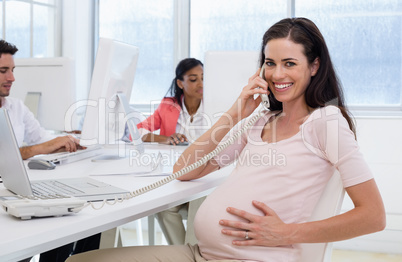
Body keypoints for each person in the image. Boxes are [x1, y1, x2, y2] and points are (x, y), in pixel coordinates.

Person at [66, 17, 386, 262]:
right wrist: (236, 111)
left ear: (314, 66)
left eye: (290, 63)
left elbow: (373, 215)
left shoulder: (325, 122)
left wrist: (288, 232)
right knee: (78, 260)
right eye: (270, 63)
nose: (276, 74)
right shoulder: (262, 119)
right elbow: (186, 168)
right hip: (201, 254)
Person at [0, 39, 101, 262]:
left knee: (78, 218)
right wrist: (43, 147)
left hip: (17, 189)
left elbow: (42, 137)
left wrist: (70, 139)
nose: (12, 78)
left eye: (13, 70)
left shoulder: (15, 107)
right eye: (3, 71)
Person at [136, 58, 206, 245]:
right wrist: (165, 139)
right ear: (180, 83)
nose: (201, 84)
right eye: (193, 79)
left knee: (201, 204)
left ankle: (189, 254)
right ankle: (184, 255)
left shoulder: (214, 105)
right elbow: (138, 132)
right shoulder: (168, 106)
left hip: (205, 177)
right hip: (178, 177)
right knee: (163, 206)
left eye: (203, 78)